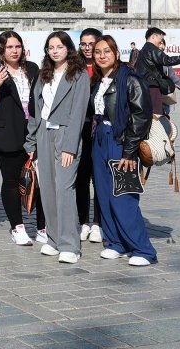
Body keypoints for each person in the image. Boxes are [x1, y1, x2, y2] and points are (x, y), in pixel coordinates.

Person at [88, 35, 157, 266]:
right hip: (100, 138)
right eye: (98, 52)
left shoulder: (130, 78)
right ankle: (115, 243)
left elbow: (141, 116)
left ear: (116, 53)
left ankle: (143, 250)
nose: (102, 56)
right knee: (104, 194)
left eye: (107, 51)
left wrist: (129, 152)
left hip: (121, 141)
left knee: (123, 196)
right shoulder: (99, 81)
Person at [25, 32, 92, 264]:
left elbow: (79, 113)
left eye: (59, 47)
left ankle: (70, 244)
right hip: (44, 133)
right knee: (47, 189)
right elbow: (35, 110)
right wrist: (31, 141)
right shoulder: (43, 74)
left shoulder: (79, 75)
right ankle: (53, 239)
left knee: (64, 188)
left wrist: (70, 147)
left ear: (68, 49)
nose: (54, 51)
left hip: (66, 134)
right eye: (50, 47)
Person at [0, 31, 45, 246]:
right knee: (11, 181)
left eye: (17, 46)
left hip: (35, 132)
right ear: (1, 49)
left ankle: (43, 227)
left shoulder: (33, 69)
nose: (14, 51)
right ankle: (17, 227)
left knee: (40, 180)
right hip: (8, 134)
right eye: (9, 47)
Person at [76, 28, 104, 243]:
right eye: (83, 44)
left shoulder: (105, 67)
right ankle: (83, 221)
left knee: (100, 178)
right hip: (80, 130)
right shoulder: (74, 67)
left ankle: (98, 223)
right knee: (82, 178)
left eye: (91, 44)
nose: (87, 48)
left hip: (100, 130)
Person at [134, 27, 180, 114]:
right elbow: (168, 60)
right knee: (157, 115)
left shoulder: (143, 50)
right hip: (153, 87)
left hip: (144, 87)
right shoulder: (152, 49)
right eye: (160, 39)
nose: (161, 42)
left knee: (150, 115)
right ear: (153, 37)